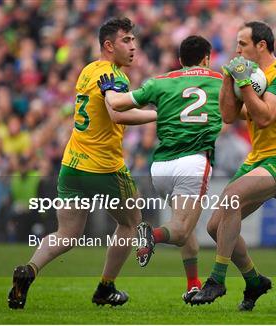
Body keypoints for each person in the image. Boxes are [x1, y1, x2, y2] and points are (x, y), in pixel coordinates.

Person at [8, 17, 157, 309]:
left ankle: (29, 270)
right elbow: (117, 112)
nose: (134, 46)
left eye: (134, 40)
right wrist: (158, 115)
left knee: (67, 234)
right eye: (127, 40)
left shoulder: (88, 70)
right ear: (109, 45)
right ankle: (105, 288)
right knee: (131, 223)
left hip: (72, 163)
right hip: (104, 167)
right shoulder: (114, 75)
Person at [98, 35, 222, 303]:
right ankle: (150, 234)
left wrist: (108, 90)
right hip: (193, 161)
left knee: (184, 226)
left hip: (162, 167)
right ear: (206, 58)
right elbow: (243, 110)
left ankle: (192, 285)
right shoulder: (219, 80)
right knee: (179, 230)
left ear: (180, 60)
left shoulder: (160, 81)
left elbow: (118, 105)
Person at [191, 21, 276, 311]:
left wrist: (243, 83)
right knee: (215, 227)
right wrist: (229, 80)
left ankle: (216, 280)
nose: (237, 50)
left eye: (242, 44)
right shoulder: (251, 76)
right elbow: (229, 115)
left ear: (261, 45)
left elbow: (265, 116)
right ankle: (254, 281)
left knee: (231, 197)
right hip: (258, 159)